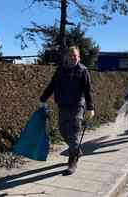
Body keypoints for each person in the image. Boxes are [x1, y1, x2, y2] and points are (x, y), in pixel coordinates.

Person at [39, 46, 94, 175]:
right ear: (66, 57)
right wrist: (43, 98)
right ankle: (76, 151)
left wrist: (90, 107)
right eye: (71, 56)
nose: (73, 58)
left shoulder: (83, 71)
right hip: (63, 105)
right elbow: (52, 85)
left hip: (77, 105)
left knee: (74, 130)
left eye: (75, 56)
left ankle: (72, 161)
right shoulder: (60, 70)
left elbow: (87, 90)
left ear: (79, 57)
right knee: (63, 131)